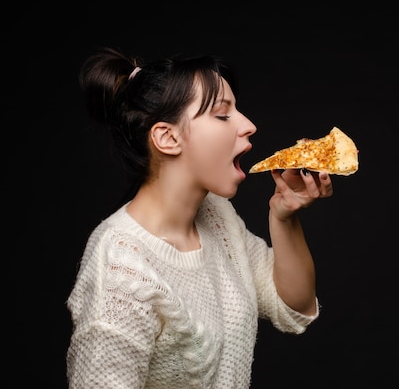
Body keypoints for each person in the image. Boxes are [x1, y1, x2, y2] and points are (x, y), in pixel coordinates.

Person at [66, 46, 333, 388]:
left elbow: (291, 305)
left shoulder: (216, 216)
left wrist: (283, 217)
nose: (249, 125)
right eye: (223, 115)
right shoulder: (120, 266)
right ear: (167, 137)